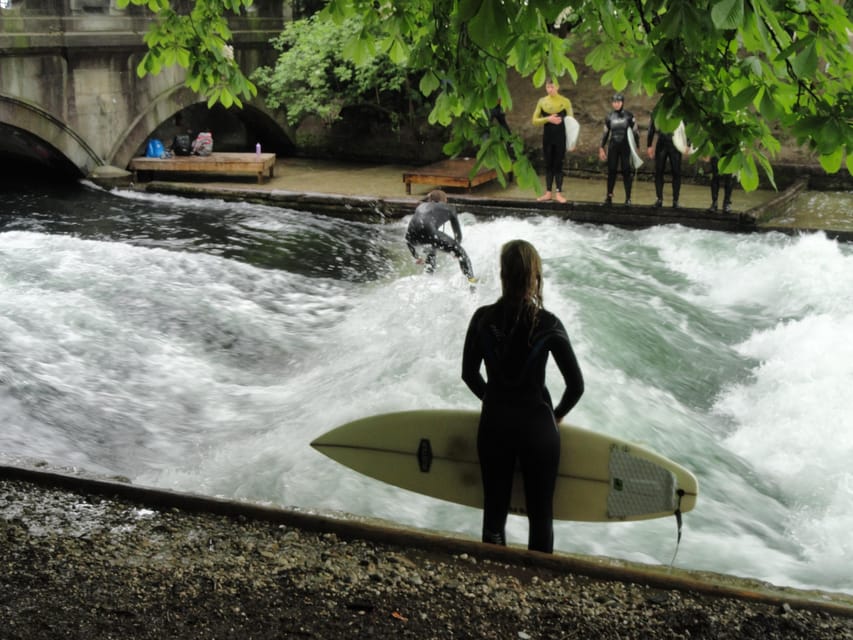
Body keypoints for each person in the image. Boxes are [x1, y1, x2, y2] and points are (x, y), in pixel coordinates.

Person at [461, 239, 584, 553]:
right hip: (537, 429)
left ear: (503, 275)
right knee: (540, 515)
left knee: (494, 512)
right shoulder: (548, 324)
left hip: (495, 425)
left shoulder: (482, 319)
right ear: (535, 279)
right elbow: (576, 386)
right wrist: (555, 416)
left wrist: (493, 399)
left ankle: (494, 576)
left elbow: (469, 374)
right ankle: (538, 583)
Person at [405, 189, 476, 282]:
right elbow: (458, 234)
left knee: (431, 247)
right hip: (429, 232)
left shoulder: (421, 206)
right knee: (462, 254)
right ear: (445, 200)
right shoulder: (449, 208)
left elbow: (408, 237)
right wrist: (456, 251)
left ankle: (427, 278)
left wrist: (416, 256)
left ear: (430, 200)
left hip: (412, 237)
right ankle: (472, 283)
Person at [531, 79, 574, 204]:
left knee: (558, 165)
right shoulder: (542, 102)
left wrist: (572, 142)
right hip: (548, 138)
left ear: (557, 87)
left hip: (561, 138)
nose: (550, 89)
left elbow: (571, 123)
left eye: (552, 87)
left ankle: (559, 193)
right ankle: (548, 193)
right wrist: (548, 119)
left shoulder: (565, 102)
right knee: (548, 165)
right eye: (548, 87)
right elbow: (534, 120)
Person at [598, 93, 639, 206]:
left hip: (626, 147)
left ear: (622, 102)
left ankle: (628, 198)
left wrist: (637, 148)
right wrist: (601, 147)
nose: (616, 104)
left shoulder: (629, 116)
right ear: (612, 103)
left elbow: (636, 133)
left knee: (626, 171)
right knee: (611, 171)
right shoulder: (609, 116)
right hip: (613, 147)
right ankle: (609, 196)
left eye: (618, 102)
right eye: (614, 102)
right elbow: (605, 133)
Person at [647, 117, 688, 208]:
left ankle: (675, 200)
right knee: (659, 171)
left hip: (676, 144)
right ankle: (659, 199)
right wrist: (649, 145)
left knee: (676, 172)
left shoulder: (679, 110)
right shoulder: (659, 110)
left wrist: (687, 143)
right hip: (662, 143)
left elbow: (686, 127)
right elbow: (651, 128)